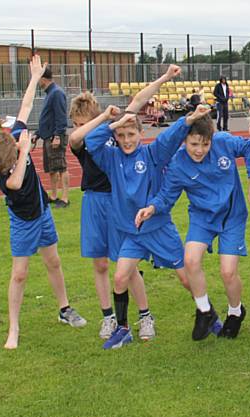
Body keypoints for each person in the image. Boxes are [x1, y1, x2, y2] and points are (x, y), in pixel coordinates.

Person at [85, 65, 209, 350]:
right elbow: (91, 140)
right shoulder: (110, 158)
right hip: (131, 231)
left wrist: (188, 120)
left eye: (132, 135)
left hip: (158, 228)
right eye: (121, 136)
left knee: (185, 278)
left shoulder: (152, 154)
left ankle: (207, 312)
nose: (127, 141)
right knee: (119, 277)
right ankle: (124, 328)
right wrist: (114, 123)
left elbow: (170, 137)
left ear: (141, 134)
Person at [135, 106, 250, 341]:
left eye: (205, 144)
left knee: (228, 272)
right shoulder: (177, 164)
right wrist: (151, 208)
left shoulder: (223, 142)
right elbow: (166, 196)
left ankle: (236, 312)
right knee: (190, 260)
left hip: (232, 216)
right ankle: (205, 311)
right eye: (194, 144)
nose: (200, 150)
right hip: (203, 218)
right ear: (184, 140)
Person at [0, 55, 87, 350]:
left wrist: (33, 77)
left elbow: (27, 105)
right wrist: (25, 150)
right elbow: (15, 183)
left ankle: (64, 309)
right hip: (21, 220)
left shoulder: (14, 138)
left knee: (53, 261)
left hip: (42, 212)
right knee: (20, 274)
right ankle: (13, 328)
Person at [68, 90, 157, 341]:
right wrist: (101, 120)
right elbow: (74, 139)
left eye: (83, 123)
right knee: (100, 264)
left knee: (128, 265)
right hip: (93, 202)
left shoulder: (112, 132)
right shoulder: (83, 141)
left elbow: (138, 101)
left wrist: (165, 79)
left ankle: (145, 316)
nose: (79, 129)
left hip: (118, 202)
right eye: (76, 124)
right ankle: (108, 317)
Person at [32, 67, 70, 208]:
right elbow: (47, 118)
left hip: (55, 137)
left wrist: (58, 136)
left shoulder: (57, 93)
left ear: (43, 78)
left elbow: (61, 116)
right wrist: (37, 134)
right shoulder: (50, 93)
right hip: (48, 137)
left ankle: (65, 198)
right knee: (52, 168)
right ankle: (53, 195)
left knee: (61, 167)